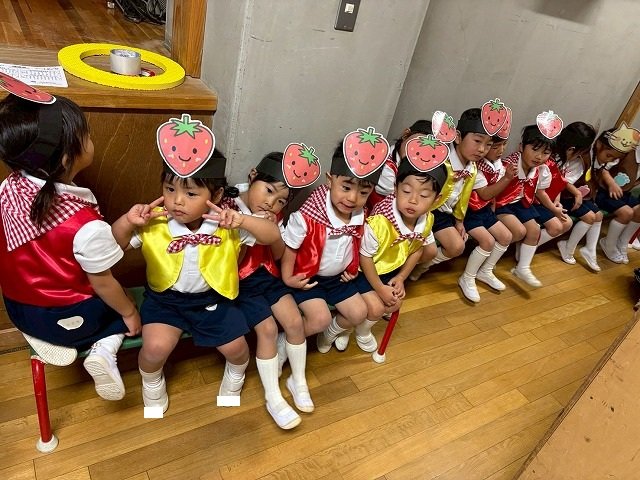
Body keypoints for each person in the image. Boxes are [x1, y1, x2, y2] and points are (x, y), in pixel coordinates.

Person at [112, 114, 280, 413]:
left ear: (216, 195)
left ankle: (235, 378)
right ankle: (152, 384)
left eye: (190, 193)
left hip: (213, 300)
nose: (177, 201)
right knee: (154, 349)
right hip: (165, 301)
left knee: (237, 348)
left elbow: (271, 235)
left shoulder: (228, 223)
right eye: (170, 189)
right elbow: (117, 244)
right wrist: (127, 221)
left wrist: (243, 220)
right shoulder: (155, 222)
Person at [0, 91, 140, 401]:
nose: (90, 138)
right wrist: (129, 313)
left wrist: (127, 222)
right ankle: (103, 351)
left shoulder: (10, 187)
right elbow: (103, 283)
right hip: (63, 316)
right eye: (86, 134)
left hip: (18, 308)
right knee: (123, 308)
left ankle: (51, 334)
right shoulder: (84, 224)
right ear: (66, 159)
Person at [224, 148, 321, 429]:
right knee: (267, 330)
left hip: (268, 276)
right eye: (268, 191)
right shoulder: (230, 208)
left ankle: (298, 381)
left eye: (280, 201)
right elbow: (228, 262)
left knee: (294, 322)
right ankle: (273, 397)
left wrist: (272, 231)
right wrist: (251, 228)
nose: (271, 203)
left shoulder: (274, 215)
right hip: (241, 283)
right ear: (253, 176)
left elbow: (278, 254)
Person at [281, 126, 388, 354]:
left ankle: (330, 333)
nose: (352, 198)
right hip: (308, 278)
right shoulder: (308, 216)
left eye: (363, 193)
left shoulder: (360, 215)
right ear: (330, 180)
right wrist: (288, 277)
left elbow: (355, 244)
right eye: (346, 187)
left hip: (338, 279)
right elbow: (290, 248)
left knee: (359, 313)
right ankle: (286, 342)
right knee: (319, 319)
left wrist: (352, 267)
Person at [335, 149, 448, 350]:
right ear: (395, 189)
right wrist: (380, 288)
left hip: (389, 269)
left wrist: (402, 277)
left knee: (394, 303)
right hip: (364, 270)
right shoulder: (380, 222)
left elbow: (417, 250)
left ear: (436, 199)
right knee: (376, 308)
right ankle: (347, 329)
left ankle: (361, 330)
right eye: (406, 191)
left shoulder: (427, 219)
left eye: (424, 195)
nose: (413, 200)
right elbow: (365, 258)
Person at [410, 106, 497, 281]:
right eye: (477, 141)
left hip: (443, 214)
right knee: (421, 246)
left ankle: (421, 267)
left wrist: (459, 221)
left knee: (457, 246)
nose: (482, 149)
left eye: (488, 144)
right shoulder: (440, 159)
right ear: (458, 137)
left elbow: (464, 197)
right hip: (424, 211)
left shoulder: (472, 168)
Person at [495, 117, 561, 288]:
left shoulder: (540, 169)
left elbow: (539, 191)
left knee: (534, 230)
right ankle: (489, 262)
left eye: (545, 153)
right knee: (518, 231)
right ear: (521, 146)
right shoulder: (508, 166)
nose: (539, 157)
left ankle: (522, 267)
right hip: (502, 204)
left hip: (522, 202)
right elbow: (495, 193)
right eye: (534, 149)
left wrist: (554, 207)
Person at [459, 107, 517, 302]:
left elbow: (490, 197)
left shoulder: (496, 164)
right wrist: (507, 179)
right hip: (469, 212)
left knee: (506, 236)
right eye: (496, 146)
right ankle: (467, 277)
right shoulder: (477, 166)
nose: (500, 150)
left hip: (484, 210)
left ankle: (486, 270)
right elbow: (484, 193)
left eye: (502, 145)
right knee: (487, 241)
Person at [548, 122, 602, 271]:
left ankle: (590, 249)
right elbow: (560, 180)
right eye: (579, 152)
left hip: (568, 194)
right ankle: (568, 248)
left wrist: (577, 192)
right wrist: (576, 193)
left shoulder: (578, 157)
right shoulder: (553, 155)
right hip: (561, 196)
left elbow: (566, 180)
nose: (581, 155)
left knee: (598, 216)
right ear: (571, 149)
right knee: (590, 217)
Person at [592, 123, 640, 264]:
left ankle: (622, 242)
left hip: (623, 193)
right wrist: (611, 184)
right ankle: (608, 243)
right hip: (605, 191)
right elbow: (603, 169)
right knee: (626, 213)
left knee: (639, 211)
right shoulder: (625, 150)